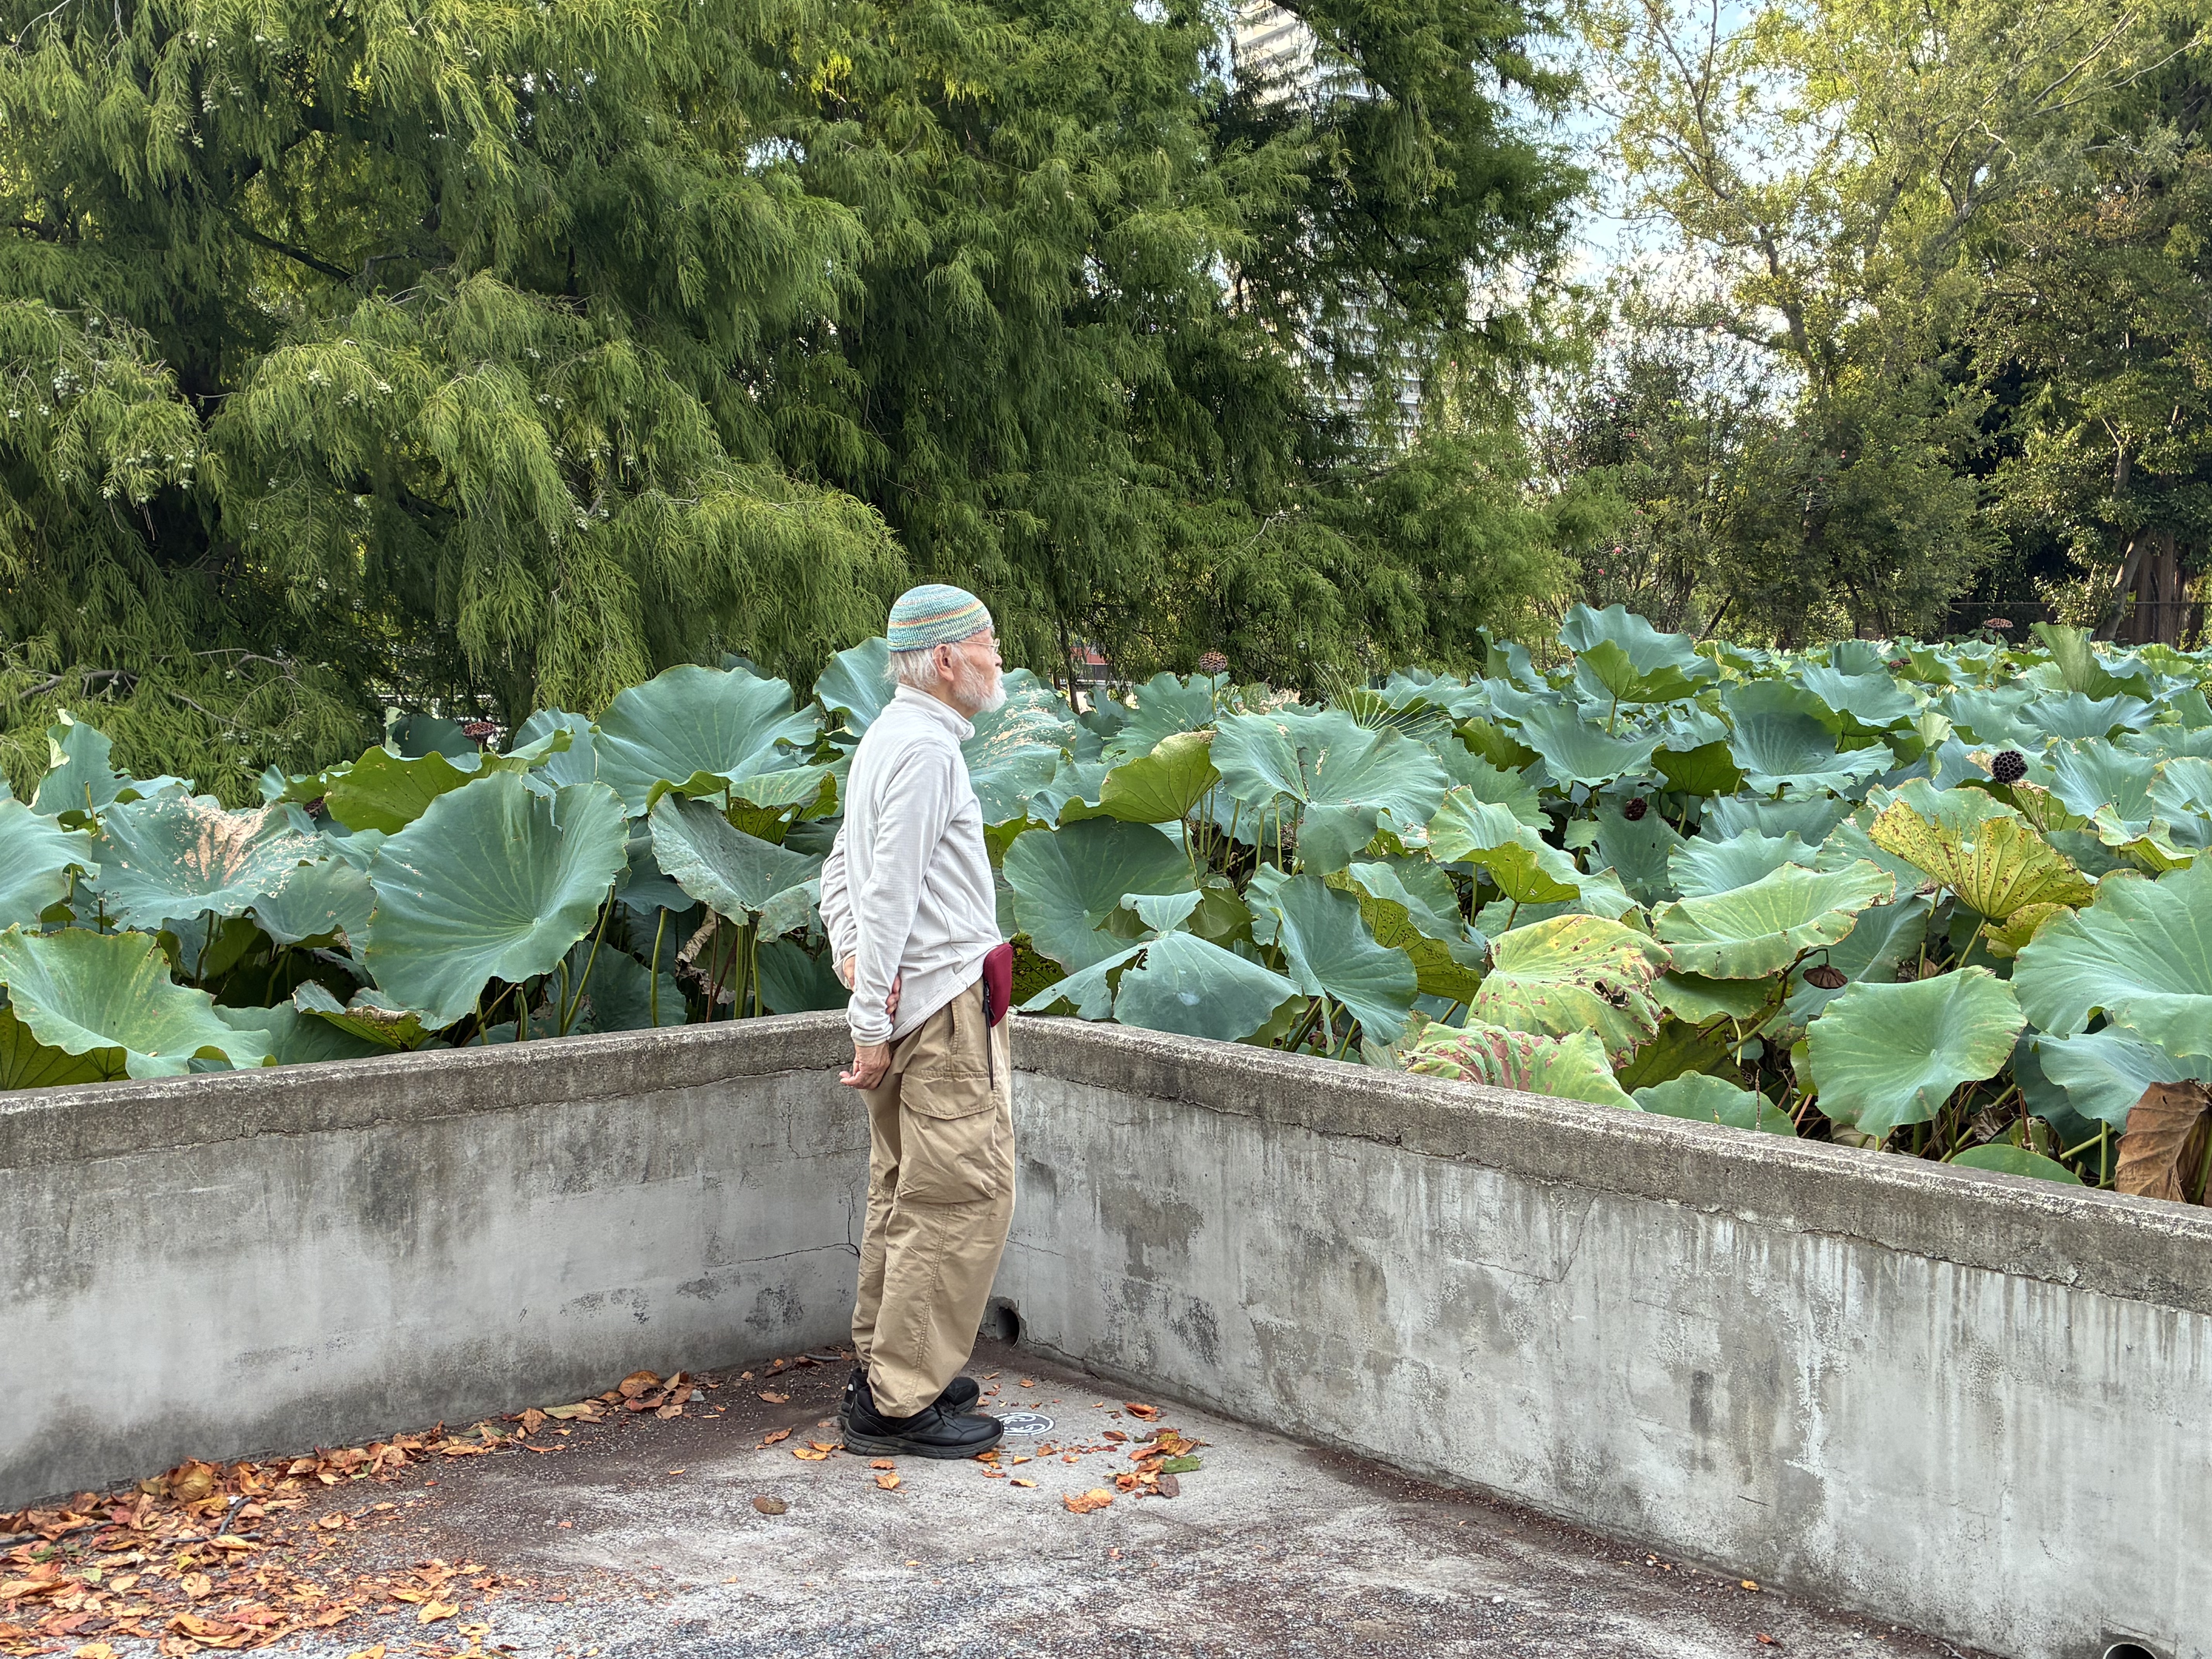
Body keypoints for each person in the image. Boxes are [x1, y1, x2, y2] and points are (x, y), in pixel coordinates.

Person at [816, 584, 1015, 1458]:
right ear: (944, 658)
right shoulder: (928, 751)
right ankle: (901, 1403)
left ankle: (888, 1369)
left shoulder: (887, 736)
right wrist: (868, 1021)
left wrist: (853, 958)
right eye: (988, 643)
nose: (998, 659)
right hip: (939, 1013)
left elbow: (839, 871)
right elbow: (888, 891)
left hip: (910, 1005)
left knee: (905, 1193)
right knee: (960, 1198)